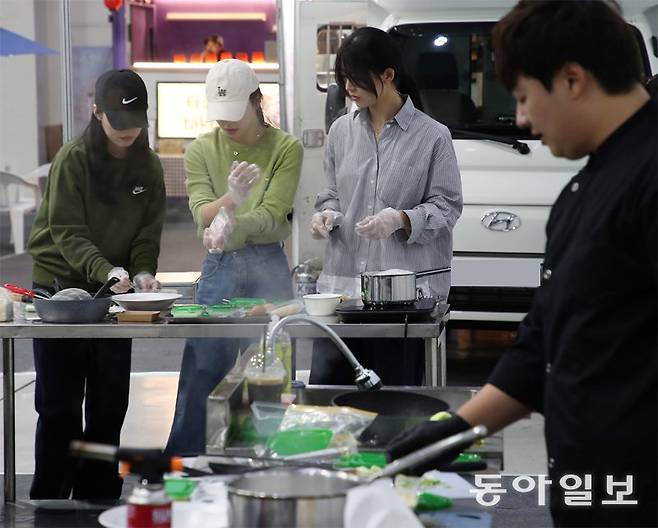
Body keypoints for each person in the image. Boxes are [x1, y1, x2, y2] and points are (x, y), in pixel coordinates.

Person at [388, 2, 657, 527]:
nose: (524, 118)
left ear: (573, 79)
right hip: (592, 488)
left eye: (524, 97)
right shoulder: (588, 185)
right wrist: (453, 430)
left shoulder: (648, 179)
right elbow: (542, 347)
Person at [27, 69, 166, 499]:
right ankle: (50, 497)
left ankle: (98, 494)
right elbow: (66, 230)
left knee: (109, 403)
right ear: (96, 113)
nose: (128, 133)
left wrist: (142, 272)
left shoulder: (149, 164)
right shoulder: (74, 159)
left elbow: (146, 233)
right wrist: (104, 268)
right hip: (61, 289)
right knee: (59, 406)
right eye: (118, 124)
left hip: (114, 292)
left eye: (136, 123)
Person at [308, 26, 462, 385]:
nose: (348, 88)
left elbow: (447, 207)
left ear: (388, 75)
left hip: (403, 300)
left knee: (391, 404)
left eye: (356, 79)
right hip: (343, 294)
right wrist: (327, 215)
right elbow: (331, 193)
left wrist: (401, 219)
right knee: (332, 403)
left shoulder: (433, 136)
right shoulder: (341, 132)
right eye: (344, 78)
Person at [165, 59, 303, 454]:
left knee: (270, 372)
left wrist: (231, 223)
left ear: (257, 100)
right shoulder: (201, 149)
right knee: (203, 371)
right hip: (219, 267)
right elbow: (200, 213)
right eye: (220, 115)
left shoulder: (285, 148)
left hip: (268, 266)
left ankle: (265, 463)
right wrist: (230, 202)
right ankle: (185, 465)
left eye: (235, 113)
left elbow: (274, 212)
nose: (226, 124)